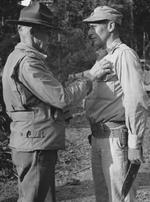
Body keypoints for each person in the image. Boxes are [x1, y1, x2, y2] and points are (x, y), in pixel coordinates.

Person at [2, 2, 112, 202]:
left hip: (33, 140)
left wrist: (85, 75)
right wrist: (90, 78)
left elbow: (46, 97)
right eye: (47, 33)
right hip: (35, 143)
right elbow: (62, 98)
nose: (49, 39)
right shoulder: (29, 62)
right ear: (33, 31)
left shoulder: (19, 57)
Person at [83, 5, 149, 202]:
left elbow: (136, 100)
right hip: (99, 137)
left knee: (120, 198)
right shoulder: (105, 57)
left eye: (94, 26)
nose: (89, 33)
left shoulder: (124, 55)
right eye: (88, 28)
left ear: (111, 26)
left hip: (115, 139)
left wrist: (135, 142)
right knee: (105, 198)